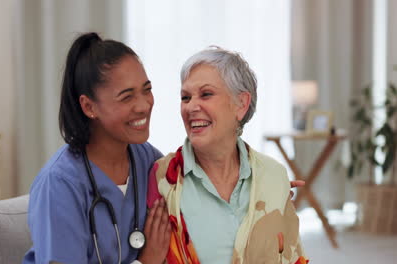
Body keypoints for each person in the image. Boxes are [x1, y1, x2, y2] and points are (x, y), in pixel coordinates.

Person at [147, 47, 309, 264]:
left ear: (241, 104)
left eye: (206, 94)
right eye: (185, 97)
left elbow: (292, 256)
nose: (191, 107)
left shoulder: (273, 175)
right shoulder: (162, 177)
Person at [23, 32, 170, 264]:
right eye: (126, 97)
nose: (144, 105)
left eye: (147, 89)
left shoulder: (148, 160)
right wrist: (147, 261)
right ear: (89, 106)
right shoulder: (59, 184)